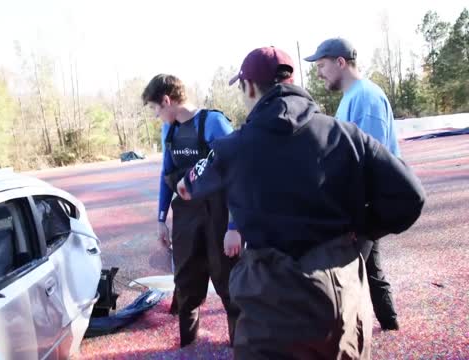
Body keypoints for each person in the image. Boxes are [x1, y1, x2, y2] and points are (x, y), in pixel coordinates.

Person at [176, 46, 425, 358]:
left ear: (250, 87)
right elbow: (411, 195)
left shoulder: (233, 148)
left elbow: (187, 187)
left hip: (270, 305)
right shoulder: (345, 135)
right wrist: (361, 230)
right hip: (339, 296)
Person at [305, 37, 401, 330]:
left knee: (343, 274)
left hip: (365, 203)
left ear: (340, 62)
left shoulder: (365, 97)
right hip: (362, 201)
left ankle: (343, 336)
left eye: (321, 66)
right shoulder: (354, 96)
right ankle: (389, 322)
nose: (319, 73)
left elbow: (368, 161)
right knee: (370, 268)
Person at [141, 74, 241, 348]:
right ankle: (188, 347)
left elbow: (237, 175)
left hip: (219, 214)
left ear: (166, 100)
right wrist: (161, 218)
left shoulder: (213, 122)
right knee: (186, 283)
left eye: (156, 109)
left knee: (228, 283)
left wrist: (234, 227)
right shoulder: (169, 130)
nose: (156, 115)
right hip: (186, 214)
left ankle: (240, 347)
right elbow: (167, 173)